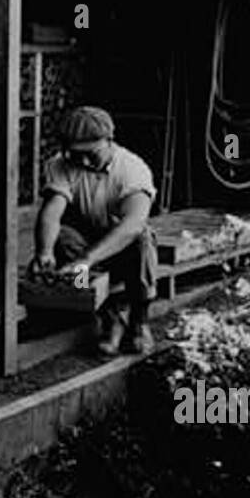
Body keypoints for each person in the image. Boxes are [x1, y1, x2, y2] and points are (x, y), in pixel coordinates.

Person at [29, 105, 158, 354]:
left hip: (122, 248)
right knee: (62, 237)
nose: (84, 161)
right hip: (87, 245)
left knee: (143, 238)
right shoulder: (60, 164)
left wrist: (86, 260)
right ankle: (111, 318)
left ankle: (140, 320)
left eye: (91, 153)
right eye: (76, 154)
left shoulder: (132, 168)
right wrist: (44, 252)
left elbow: (133, 224)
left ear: (109, 141)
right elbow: (52, 211)